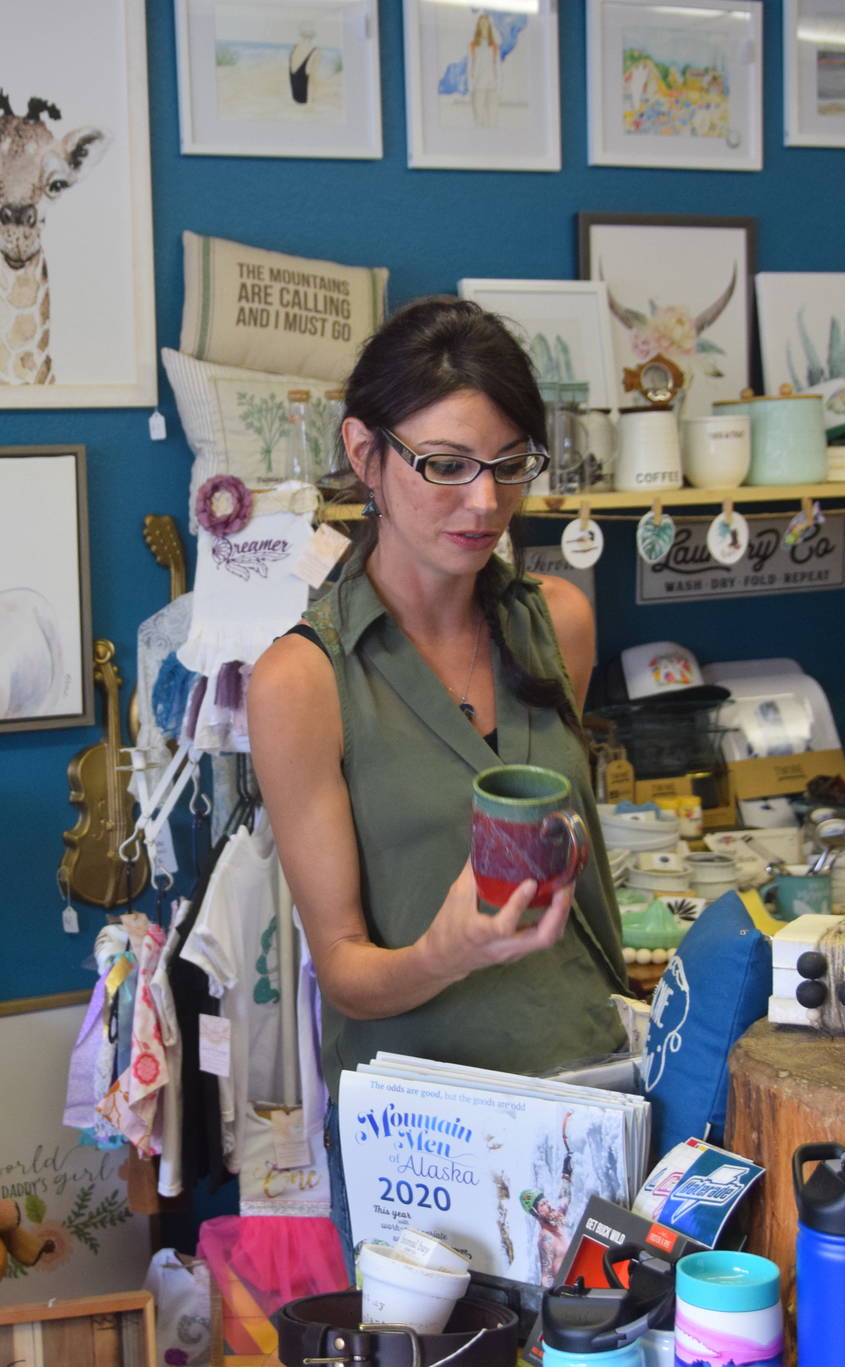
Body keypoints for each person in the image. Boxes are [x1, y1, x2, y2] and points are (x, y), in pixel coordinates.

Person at [246, 298, 628, 1223]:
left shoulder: (559, 626)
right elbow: (341, 969)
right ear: (366, 455)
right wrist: (445, 951)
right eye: (446, 466)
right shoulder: (302, 682)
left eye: (508, 467)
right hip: (425, 1145)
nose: (484, 502)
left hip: (596, 1098)